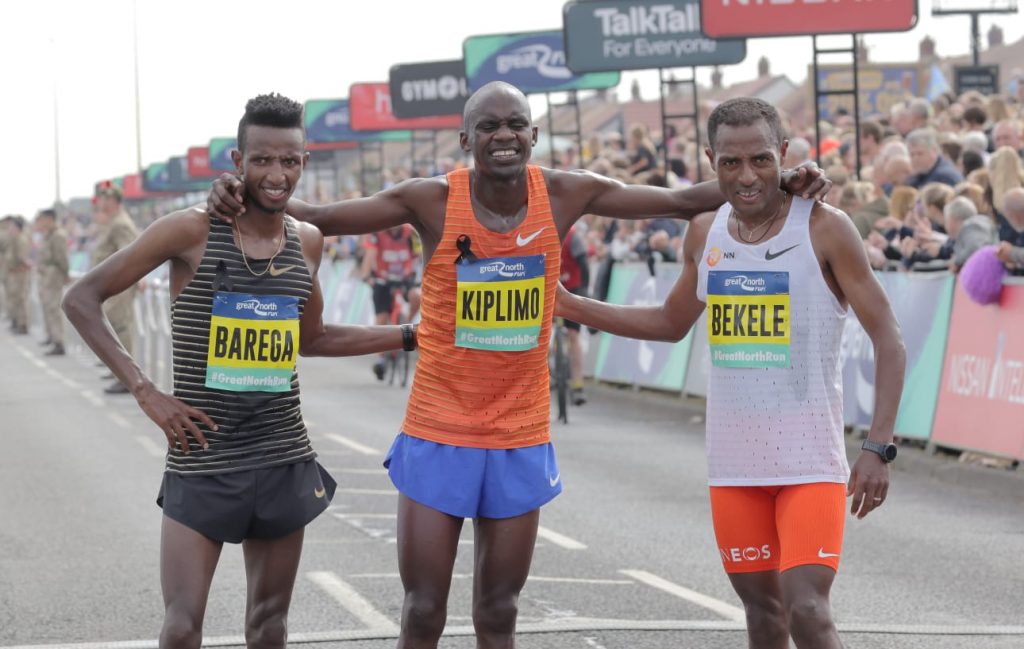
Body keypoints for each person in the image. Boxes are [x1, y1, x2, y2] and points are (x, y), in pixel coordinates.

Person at [207, 81, 831, 649]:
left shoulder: (565, 192)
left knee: (499, 610)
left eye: (516, 124)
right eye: (488, 126)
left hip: (520, 433)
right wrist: (244, 195)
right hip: (438, 429)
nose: (503, 135)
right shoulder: (431, 199)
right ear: (466, 139)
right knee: (423, 610)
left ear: (533, 135)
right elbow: (319, 219)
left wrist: (785, 181)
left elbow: (677, 199)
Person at [555, 97, 905, 649]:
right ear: (709, 160)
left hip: (808, 462)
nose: (748, 177)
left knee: (808, 610)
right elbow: (671, 323)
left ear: (784, 155)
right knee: (763, 616)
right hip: (734, 467)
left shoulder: (825, 229)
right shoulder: (704, 232)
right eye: (731, 163)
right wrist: (570, 305)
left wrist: (878, 447)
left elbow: (890, 336)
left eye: (763, 160)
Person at [63, 93, 409, 649]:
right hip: (203, 454)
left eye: (289, 161)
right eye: (263, 160)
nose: (277, 174)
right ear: (238, 161)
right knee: (181, 628)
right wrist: (145, 391)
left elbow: (314, 338)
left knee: (269, 627)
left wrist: (413, 335)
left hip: (281, 454)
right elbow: (81, 297)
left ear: (304, 161)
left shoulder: (309, 242)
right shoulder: (189, 231)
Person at [90, 182, 140, 393]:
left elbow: (128, 255)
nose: (101, 202)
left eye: (104, 198)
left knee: (120, 328)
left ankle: (126, 378)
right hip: (114, 283)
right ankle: (118, 373)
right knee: (115, 327)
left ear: (112, 200)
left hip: (121, 284)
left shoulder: (120, 224)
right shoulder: (113, 223)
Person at [360, 223, 422, 380]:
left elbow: (421, 254)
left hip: (406, 278)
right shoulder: (377, 233)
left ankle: (406, 323)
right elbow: (370, 255)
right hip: (383, 280)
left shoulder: (410, 233)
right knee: (382, 317)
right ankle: (381, 359)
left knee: (416, 296)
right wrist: (367, 275)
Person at [559, 223, 590, 406]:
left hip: (572, 289)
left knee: (573, 336)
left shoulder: (573, 237)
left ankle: (578, 384)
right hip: (550, 290)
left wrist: (585, 290)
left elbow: (584, 264)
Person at [34, 208, 70, 355]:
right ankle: (53, 337)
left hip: (54, 275)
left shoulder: (58, 235)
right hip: (47, 275)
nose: (41, 222)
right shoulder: (48, 235)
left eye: (43, 219)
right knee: (48, 307)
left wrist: (65, 273)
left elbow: (62, 258)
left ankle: (59, 341)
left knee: (54, 308)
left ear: (50, 219)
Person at [4, 215, 31, 335]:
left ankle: (23, 325)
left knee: (21, 300)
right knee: (16, 299)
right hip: (14, 273)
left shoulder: (21, 239)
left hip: (20, 273)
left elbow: (23, 258)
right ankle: (18, 323)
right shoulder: (14, 239)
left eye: (11, 227)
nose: (9, 229)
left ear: (17, 228)